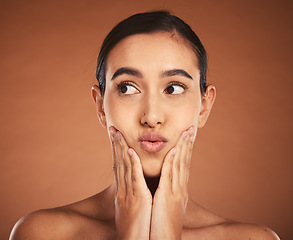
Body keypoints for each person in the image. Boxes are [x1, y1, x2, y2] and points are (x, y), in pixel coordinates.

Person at [10, 11, 280, 240]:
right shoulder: (43, 233)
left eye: (173, 88)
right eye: (127, 88)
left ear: (204, 107)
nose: (151, 116)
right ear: (100, 106)